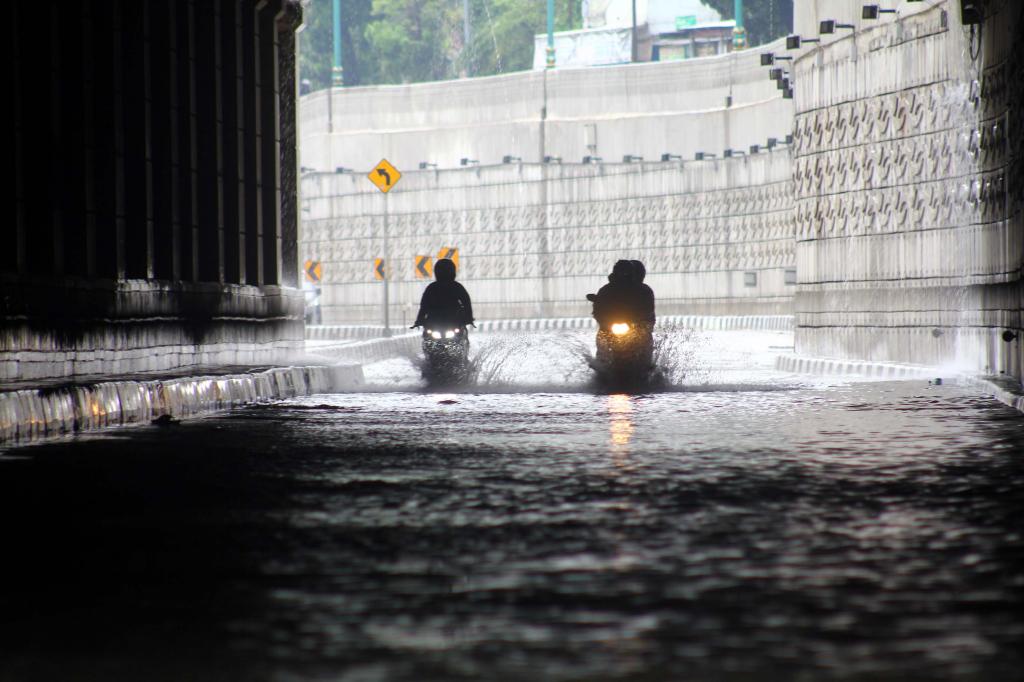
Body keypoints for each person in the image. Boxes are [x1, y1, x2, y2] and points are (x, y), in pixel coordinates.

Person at [412, 258, 474, 329]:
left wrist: (419, 320)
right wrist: (469, 318)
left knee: (462, 334)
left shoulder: (432, 287)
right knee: (427, 337)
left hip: (453, 323)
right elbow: (466, 303)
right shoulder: (456, 286)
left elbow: (424, 306)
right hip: (436, 324)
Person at [630, 260, 656, 326]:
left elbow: (649, 310)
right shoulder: (609, 290)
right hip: (614, 325)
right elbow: (601, 309)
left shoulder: (645, 291)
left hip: (640, 326)